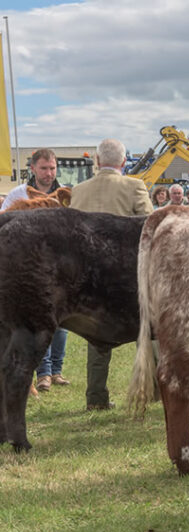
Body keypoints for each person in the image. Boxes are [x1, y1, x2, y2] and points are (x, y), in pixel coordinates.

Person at [69, 138, 154, 411]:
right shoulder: (134, 186)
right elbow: (150, 223)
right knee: (148, 329)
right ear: (124, 162)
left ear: (96, 161)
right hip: (128, 272)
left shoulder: (78, 191)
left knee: (97, 335)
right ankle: (156, 391)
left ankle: (96, 397)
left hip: (90, 276)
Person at [0, 149, 72, 394]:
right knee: (32, 323)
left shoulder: (65, 194)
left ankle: (55, 370)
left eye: (52, 168)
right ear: (32, 168)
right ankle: (40, 375)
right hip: (26, 270)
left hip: (58, 268)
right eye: (44, 168)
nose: (49, 173)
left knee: (61, 322)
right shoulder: (18, 194)